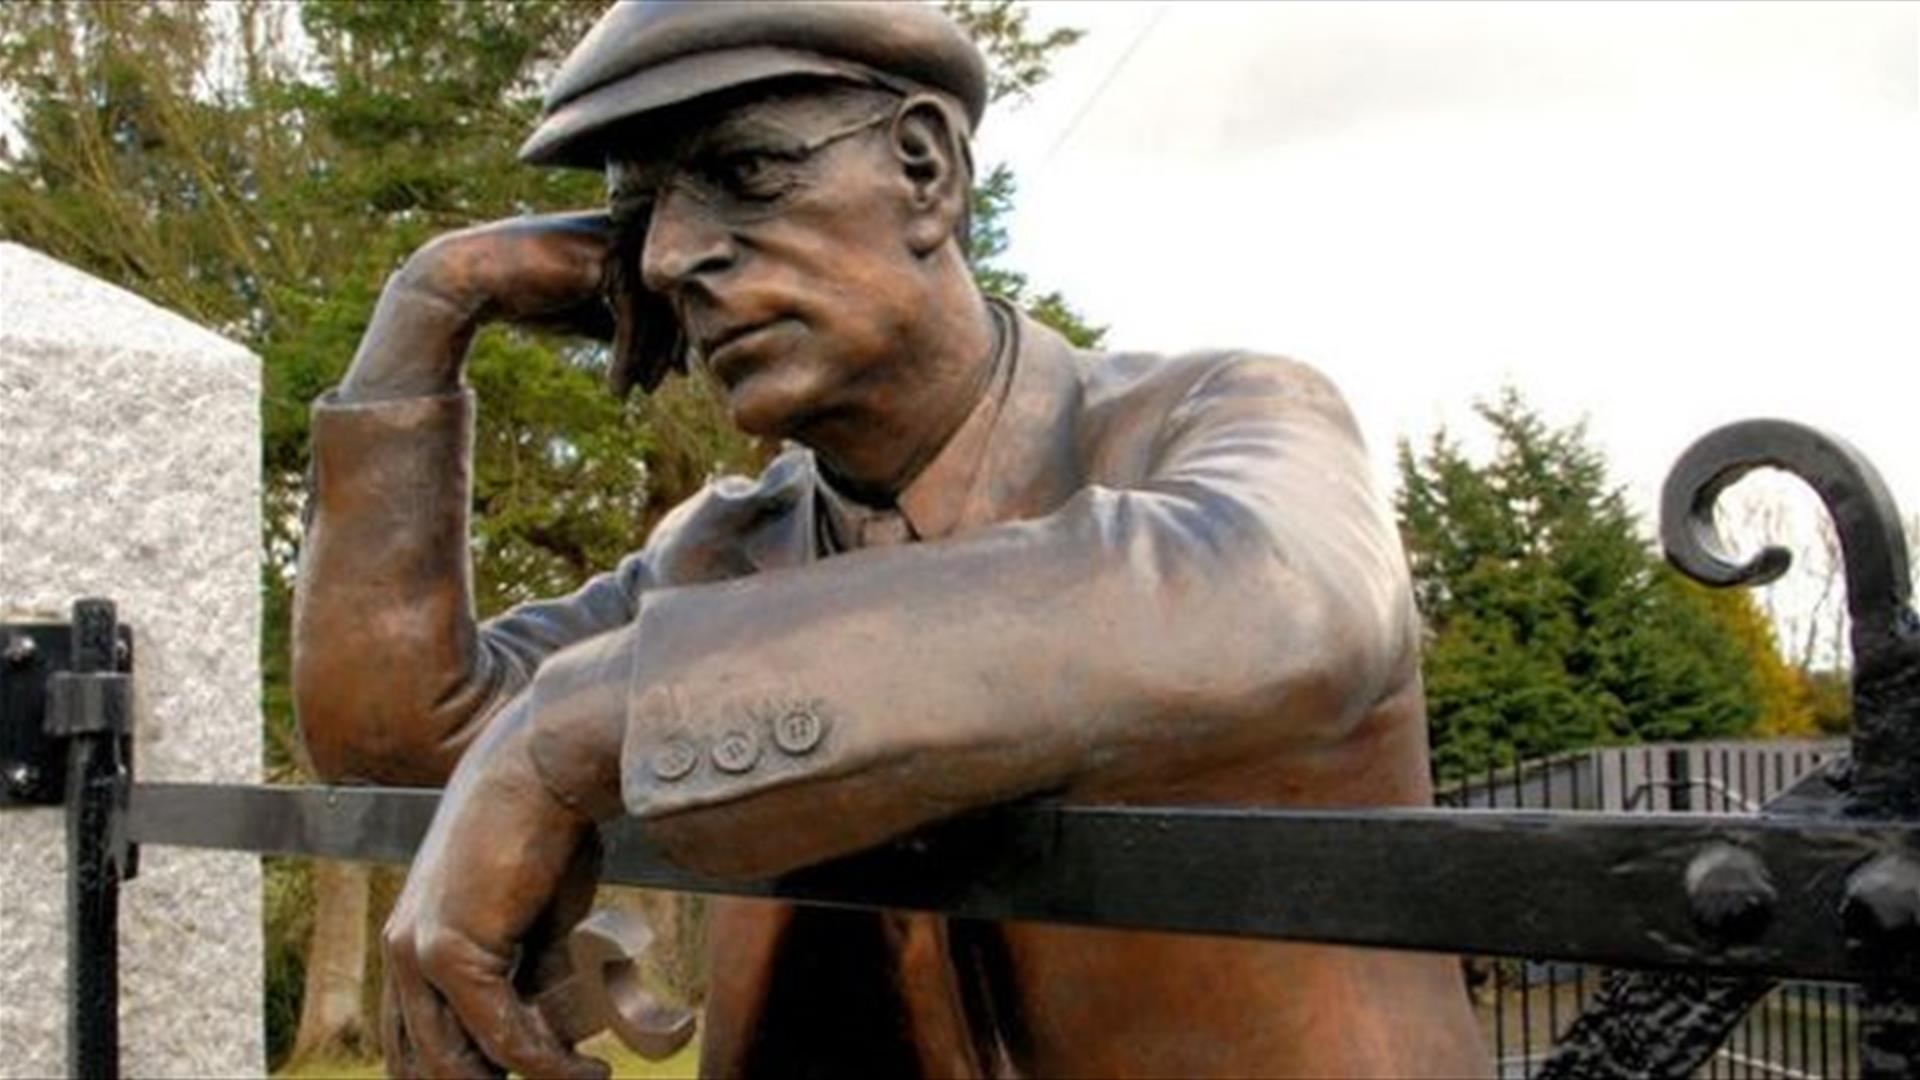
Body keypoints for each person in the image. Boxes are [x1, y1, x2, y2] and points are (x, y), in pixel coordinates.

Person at [293, 2, 1491, 1077]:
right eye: (643, 212)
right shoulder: (728, 547)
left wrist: (585, 722)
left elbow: (1281, 603)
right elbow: (401, 735)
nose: (666, 258)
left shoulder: (1212, 418)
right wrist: (431, 307)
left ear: (925, 169)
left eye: (742, 172)